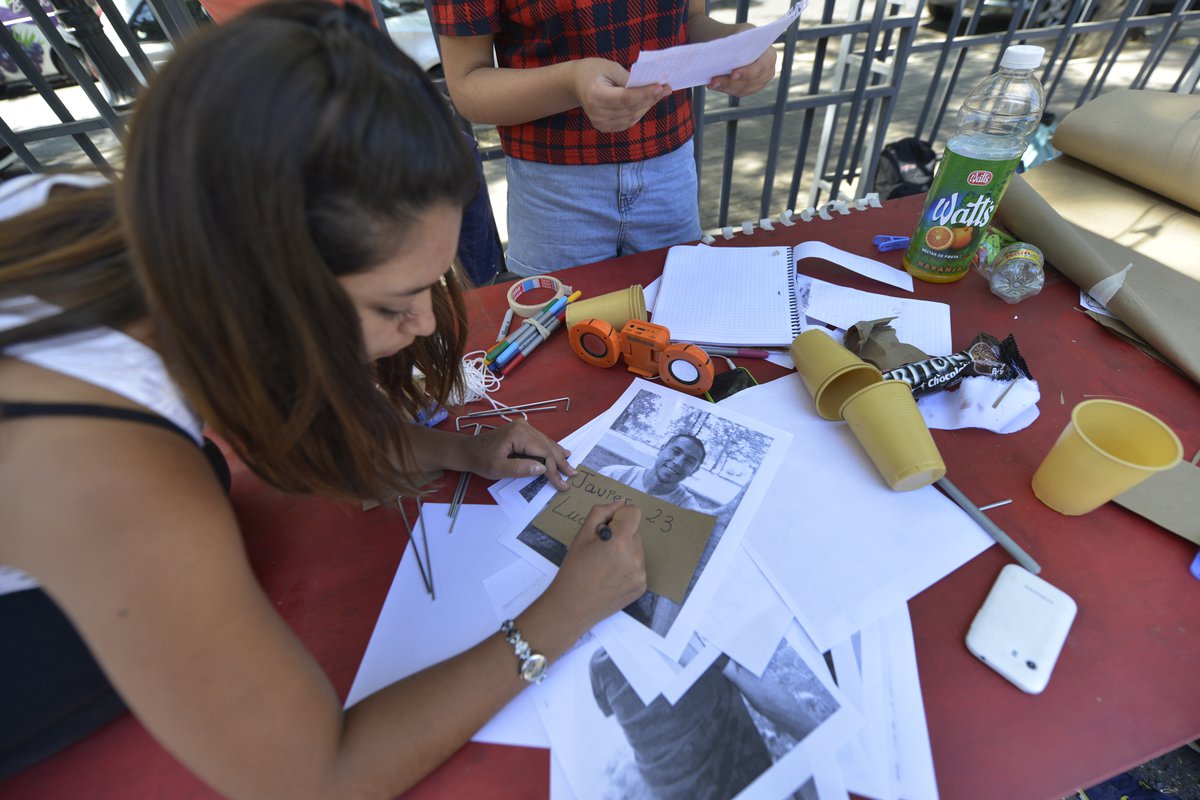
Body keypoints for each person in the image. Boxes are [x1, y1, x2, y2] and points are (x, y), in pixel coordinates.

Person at [0, 2, 647, 795]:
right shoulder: (102, 468)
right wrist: (563, 613)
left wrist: (458, 448)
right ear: (262, 284)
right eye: (389, 305)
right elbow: (317, 778)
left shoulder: (121, 213)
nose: (420, 328)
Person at [429, 0, 780, 276]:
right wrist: (571, 83)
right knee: (561, 347)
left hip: (669, 171)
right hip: (555, 188)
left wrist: (738, 43)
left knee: (677, 340)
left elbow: (689, 17)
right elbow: (467, 84)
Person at [590, 646, 820, 800]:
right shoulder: (683, 630)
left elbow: (620, 714)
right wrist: (822, 739)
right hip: (741, 780)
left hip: (670, 791)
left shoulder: (598, 664)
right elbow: (764, 696)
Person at [599, 432, 706, 511]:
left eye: (689, 461)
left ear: (695, 470)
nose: (678, 462)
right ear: (661, 449)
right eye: (675, 452)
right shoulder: (613, 475)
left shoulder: (689, 511)